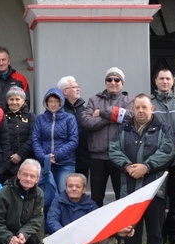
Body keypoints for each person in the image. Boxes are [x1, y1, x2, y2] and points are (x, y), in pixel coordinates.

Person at [108, 94, 175, 244]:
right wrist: (128, 166)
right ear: (133, 109)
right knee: (131, 232)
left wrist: (147, 166)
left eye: (144, 107)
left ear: (152, 108)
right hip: (129, 190)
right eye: (137, 107)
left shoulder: (163, 128)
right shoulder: (124, 128)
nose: (141, 111)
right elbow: (113, 149)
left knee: (155, 233)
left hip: (154, 190)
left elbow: (168, 150)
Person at [80, 67, 133, 207]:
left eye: (117, 79)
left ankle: (120, 228)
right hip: (97, 157)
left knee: (121, 196)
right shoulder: (93, 100)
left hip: (120, 156)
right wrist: (112, 118)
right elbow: (86, 122)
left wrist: (104, 112)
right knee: (96, 196)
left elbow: (130, 117)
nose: (113, 82)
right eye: (109, 79)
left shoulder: (129, 101)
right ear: (105, 82)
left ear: (122, 83)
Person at [151, 68, 175, 244]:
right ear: (156, 81)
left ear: (173, 81)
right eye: (161, 79)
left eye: (168, 79)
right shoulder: (149, 104)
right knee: (158, 200)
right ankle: (158, 234)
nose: (165, 82)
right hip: (157, 161)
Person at [32, 87, 78, 204]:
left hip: (65, 163)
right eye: (51, 101)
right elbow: (36, 140)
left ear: (61, 102)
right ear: (46, 102)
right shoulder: (40, 119)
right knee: (45, 193)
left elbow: (73, 141)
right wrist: (44, 157)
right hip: (45, 163)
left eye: (56, 101)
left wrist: (56, 156)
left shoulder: (69, 118)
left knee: (64, 193)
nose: (53, 104)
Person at [58, 76, 91, 180]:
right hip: (65, 160)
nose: (78, 89)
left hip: (83, 158)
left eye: (78, 86)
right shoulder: (59, 110)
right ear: (65, 91)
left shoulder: (83, 108)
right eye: (74, 87)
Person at [3, 87, 35, 179]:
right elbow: (1, 138)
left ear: (23, 101)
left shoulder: (31, 116)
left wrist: (20, 154)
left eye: (17, 99)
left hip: (27, 160)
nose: (14, 102)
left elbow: (33, 137)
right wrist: (9, 156)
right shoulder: (2, 117)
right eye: (11, 99)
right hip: (7, 163)